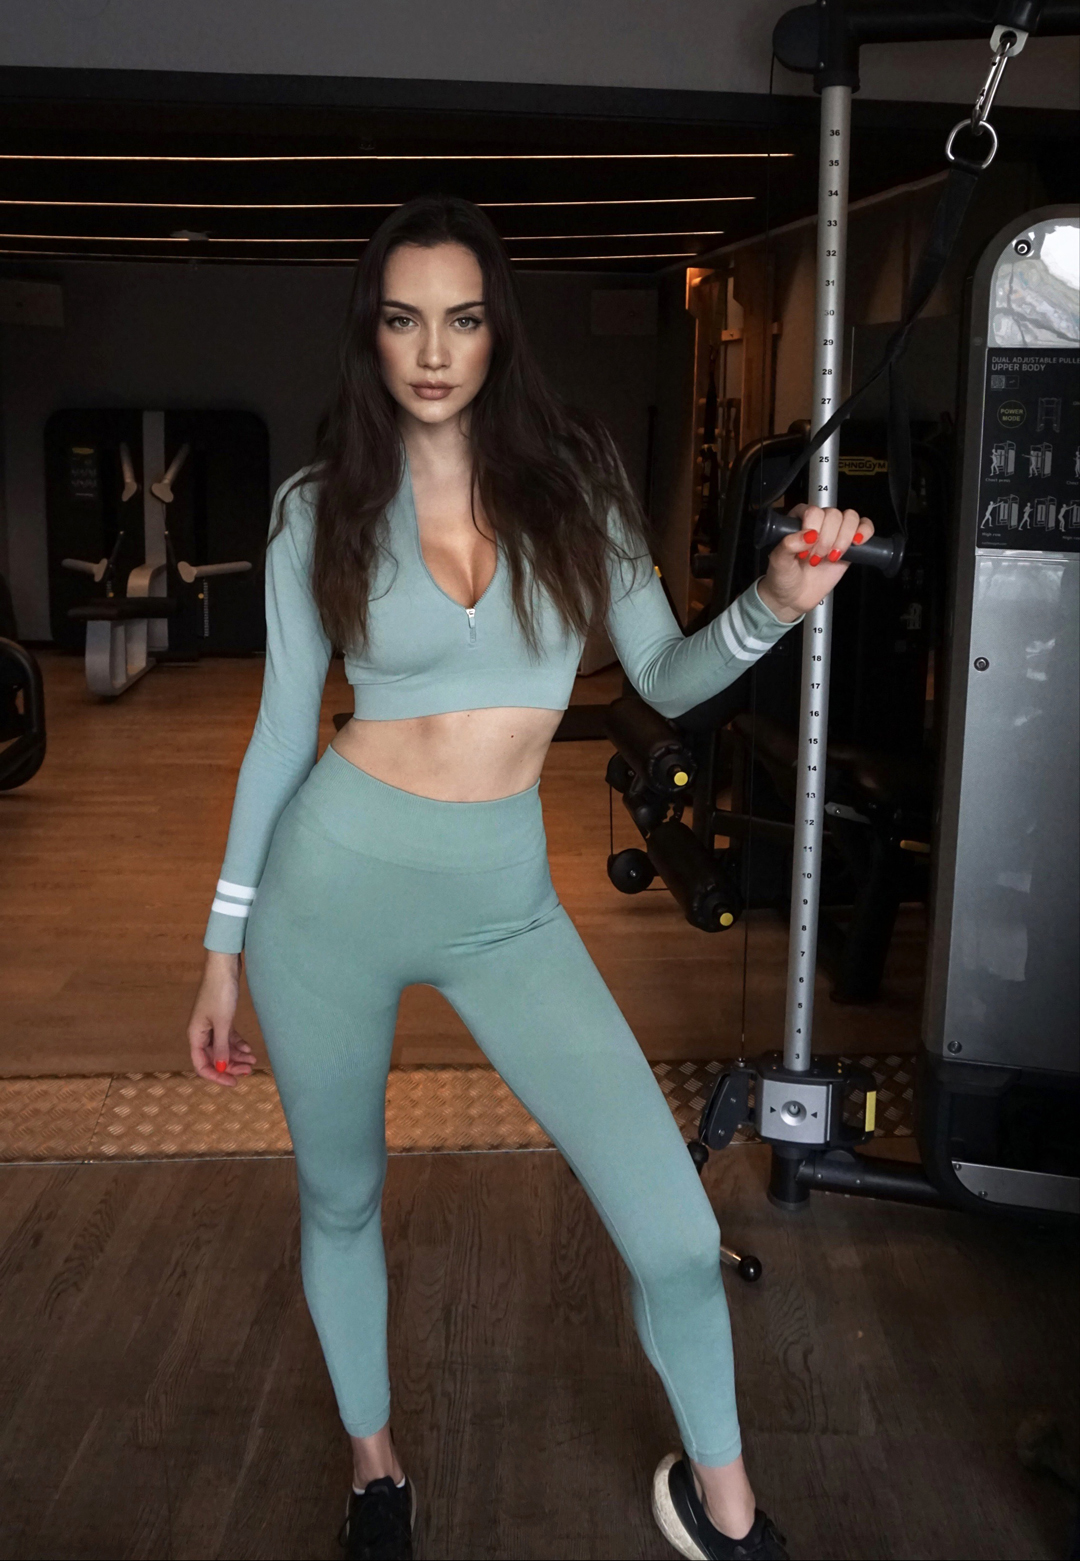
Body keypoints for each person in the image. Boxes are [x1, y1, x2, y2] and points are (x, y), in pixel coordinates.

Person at [187, 194, 874, 1561]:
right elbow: (276, 740)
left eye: (462, 318)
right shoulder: (317, 509)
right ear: (372, 337)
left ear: (498, 329)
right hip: (328, 896)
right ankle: (376, 1470)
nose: (434, 351)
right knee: (342, 1195)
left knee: (670, 1227)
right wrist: (222, 947)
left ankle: (727, 1512)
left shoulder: (578, 487)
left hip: (505, 906)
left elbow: (666, 673)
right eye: (404, 321)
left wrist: (776, 604)